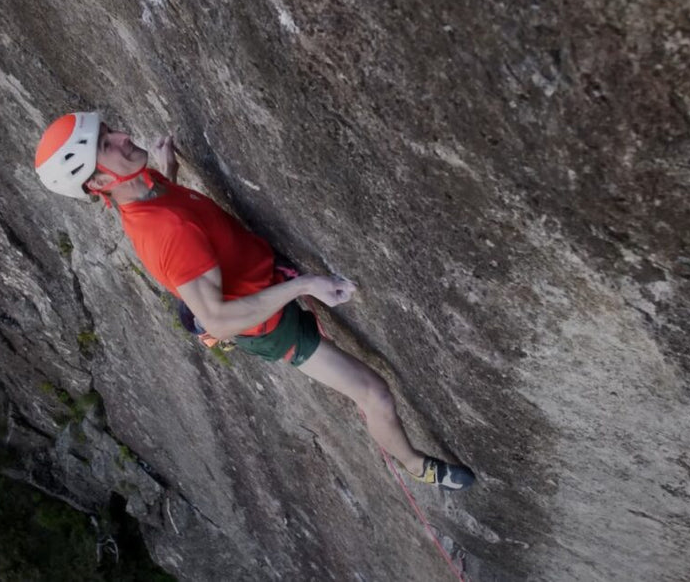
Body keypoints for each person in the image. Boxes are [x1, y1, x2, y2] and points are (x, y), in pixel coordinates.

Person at [33, 112, 474, 490]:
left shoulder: (142, 185)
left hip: (255, 277)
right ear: (99, 181)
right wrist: (303, 286)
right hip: (263, 324)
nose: (124, 137)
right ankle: (418, 467)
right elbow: (219, 320)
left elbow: (170, 216)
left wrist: (167, 174)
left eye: (111, 130)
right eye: (108, 144)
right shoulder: (165, 232)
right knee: (375, 394)